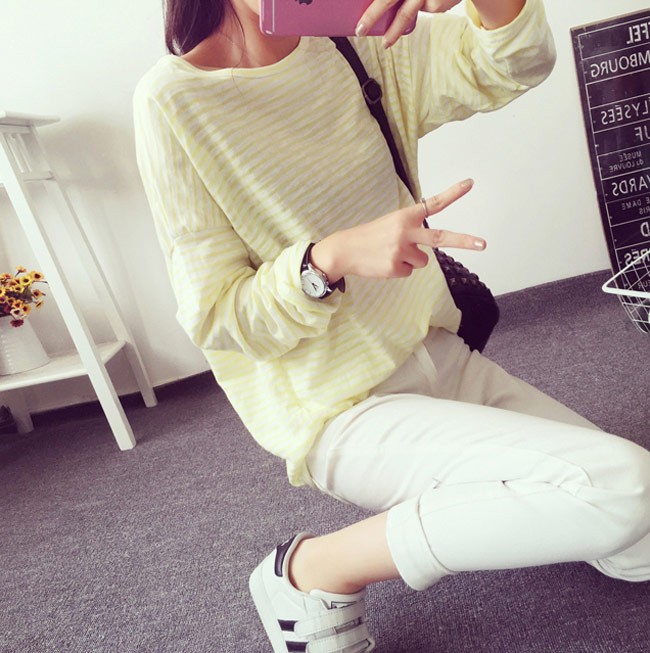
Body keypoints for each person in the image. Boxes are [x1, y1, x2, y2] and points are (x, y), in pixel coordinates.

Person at [133, 0, 650, 650]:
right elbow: (219, 316)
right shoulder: (173, 100)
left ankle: (469, 486)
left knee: (638, 539)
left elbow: (515, 61)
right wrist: (329, 260)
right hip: (340, 412)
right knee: (624, 488)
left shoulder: (355, 43)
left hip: (441, 359)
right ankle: (312, 569)